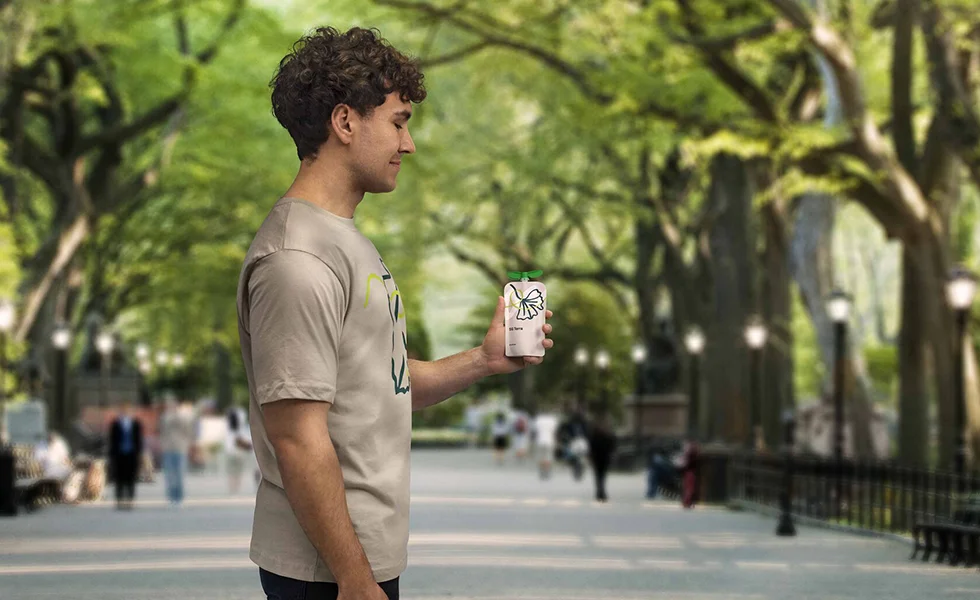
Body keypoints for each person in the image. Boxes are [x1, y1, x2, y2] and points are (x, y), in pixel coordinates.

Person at [237, 27, 554, 600]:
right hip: (325, 572)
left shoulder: (345, 241)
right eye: (399, 122)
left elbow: (384, 386)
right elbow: (297, 438)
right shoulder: (296, 260)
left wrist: (484, 360)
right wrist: (355, 580)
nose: (408, 145)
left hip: (358, 558)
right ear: (345, 122)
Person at [108, 400, 143, 510]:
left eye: (127, 410)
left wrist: (139, 453)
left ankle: (130, 500)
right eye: (123, 410)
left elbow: (139, 440)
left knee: (131, 477)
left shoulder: (136, 424)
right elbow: (111, 440)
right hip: (119, 454)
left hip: (132, 454)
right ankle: (119, 500)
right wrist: (111, 455)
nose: (125, 412)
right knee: (119, 478)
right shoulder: (115, 424)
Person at [159, 397, 195, 505]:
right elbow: (162, 431)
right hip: (168, 449)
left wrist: (188, 443)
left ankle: (179, 497)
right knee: (169, 475)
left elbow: (188, 430)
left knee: (179, 474)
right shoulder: (165, 417)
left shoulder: (183, 417)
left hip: (180, 448)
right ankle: (171, 496)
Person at [586, 414, 617, 503]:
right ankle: (600, 492)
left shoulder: (601, 435)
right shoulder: (599, 435)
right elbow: (591, 447)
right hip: (599, 458)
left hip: (602, 458)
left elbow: (612, 447)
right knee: (600, 476)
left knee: (600, 476)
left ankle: (600, 492)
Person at [225, 405, 253, 494]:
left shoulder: (230, 429)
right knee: (237, 472)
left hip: (231, 453)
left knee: (233, 472)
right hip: (237, 453)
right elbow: (239, 441)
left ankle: (233, 489)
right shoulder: (239, 429)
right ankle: (235, 489)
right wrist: (249, 447)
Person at [532, 412, 559, 480]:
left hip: (540, 441)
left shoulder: (538, 419)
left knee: (541, 457)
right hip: (549, 441)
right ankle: (547, 471)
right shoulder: (552, 420)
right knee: (548, 457)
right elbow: (555, 431)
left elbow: (535, 431)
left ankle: (542, 471)